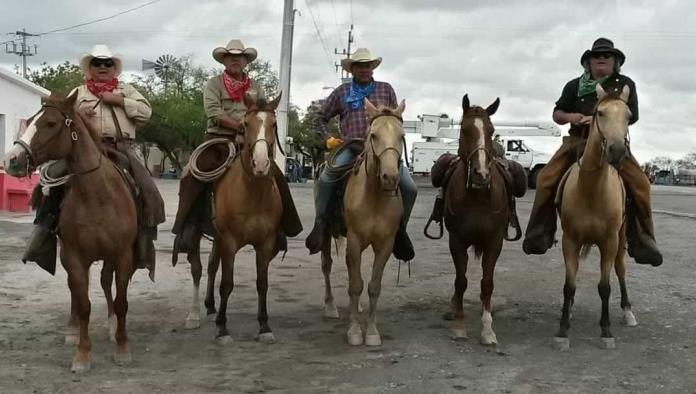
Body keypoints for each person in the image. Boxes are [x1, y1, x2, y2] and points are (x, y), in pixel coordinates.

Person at [24, 44, 165, 275]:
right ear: (89, 68)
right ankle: (42, 234)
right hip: (84, 151)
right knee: (48, 185)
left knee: (147, 187)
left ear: (114, 68)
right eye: (97, 63)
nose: (102, 67)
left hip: (120, 148)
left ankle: (143, 241)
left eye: (107, 63)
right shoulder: (77, 93)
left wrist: (119, 100)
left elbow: (145, 112)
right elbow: (62, 116)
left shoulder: (127, 90)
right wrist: (79, 114)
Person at [522, 37, 662, 266]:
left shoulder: (625, 84)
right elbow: (557, 113)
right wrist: (573, 117)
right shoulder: (574, 85)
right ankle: (540, 232)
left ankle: (643, 238)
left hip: (612, 142)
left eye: (607, 56)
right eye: (596, 56)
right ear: (588, 62)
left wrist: (604, 120)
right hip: (577, 141)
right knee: (546, 179)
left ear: (615, 61)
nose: (601, 59)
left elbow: (632, 115)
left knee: (642, 184)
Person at [171, 39, 302, 257]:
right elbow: (213, 112)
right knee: (191, 175)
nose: (235, 59)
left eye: (239, 56)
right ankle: (187, 227)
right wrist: (240, 124)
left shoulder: (256, 87)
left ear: (245, 61)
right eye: (230, 56)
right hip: (218, 139)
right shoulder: (214, 84)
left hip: (248, 142)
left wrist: (255, 128)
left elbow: (262, 112)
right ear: (224, 60)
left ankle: (281, 227)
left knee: (277, 176)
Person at [304, 47, 417, 261]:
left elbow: (394, 119)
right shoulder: (341, 92)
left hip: (383, 150)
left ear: (372, 68)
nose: (364, 69)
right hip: (352, 146)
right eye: (360, 66)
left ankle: (400, 230)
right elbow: (319, 117)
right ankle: (321, 224)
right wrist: (327, 137)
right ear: (352, 69)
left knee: (410, 188)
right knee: (327, 178)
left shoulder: (386, 89)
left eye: (367, 66)